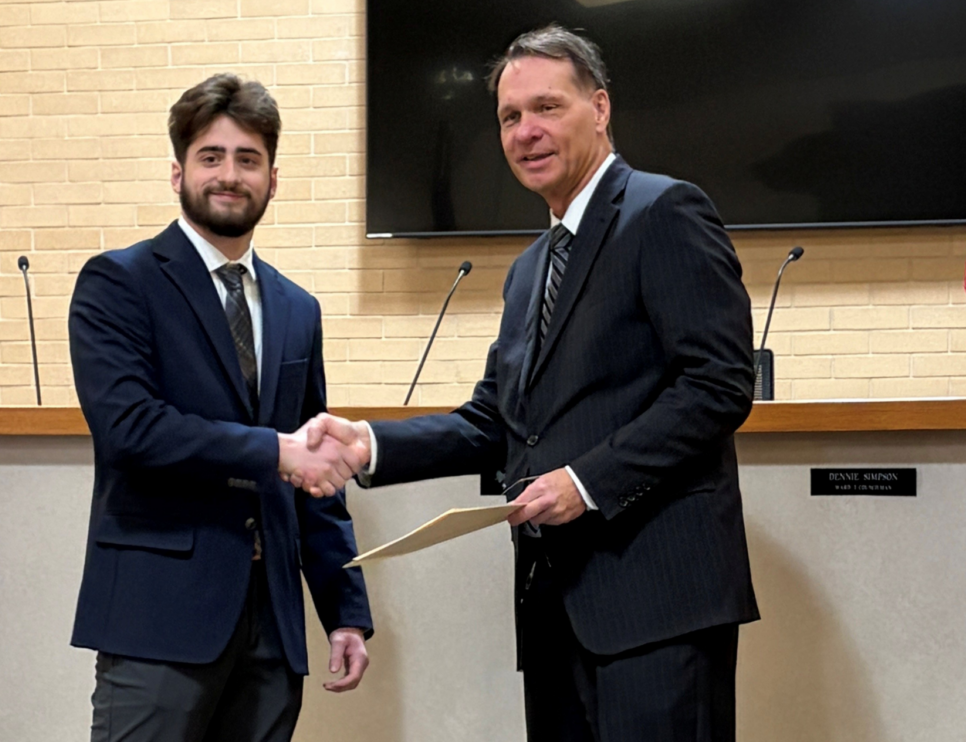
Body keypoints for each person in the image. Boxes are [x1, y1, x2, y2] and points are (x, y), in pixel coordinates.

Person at [306, 24, 759, 742]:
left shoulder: (664, 211)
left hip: (658, 608)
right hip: (552, 614)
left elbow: (718, 384)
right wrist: (365, 445)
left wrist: (584, 482)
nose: (526, 131)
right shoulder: (528, 272)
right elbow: (495, 422)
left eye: (547, 107)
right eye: (510, 117)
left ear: (601, 108)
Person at [68, 73, 373, 742]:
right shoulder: (119, 283)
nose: (229, 175)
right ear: (177, 172)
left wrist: (345, 611)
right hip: (158, 619)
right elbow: (131, 430)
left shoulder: (298, 309)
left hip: (272, 631)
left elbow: (315, 475)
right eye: (211, 157)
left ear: (272, 178)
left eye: (248, 159)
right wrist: (275, 450)